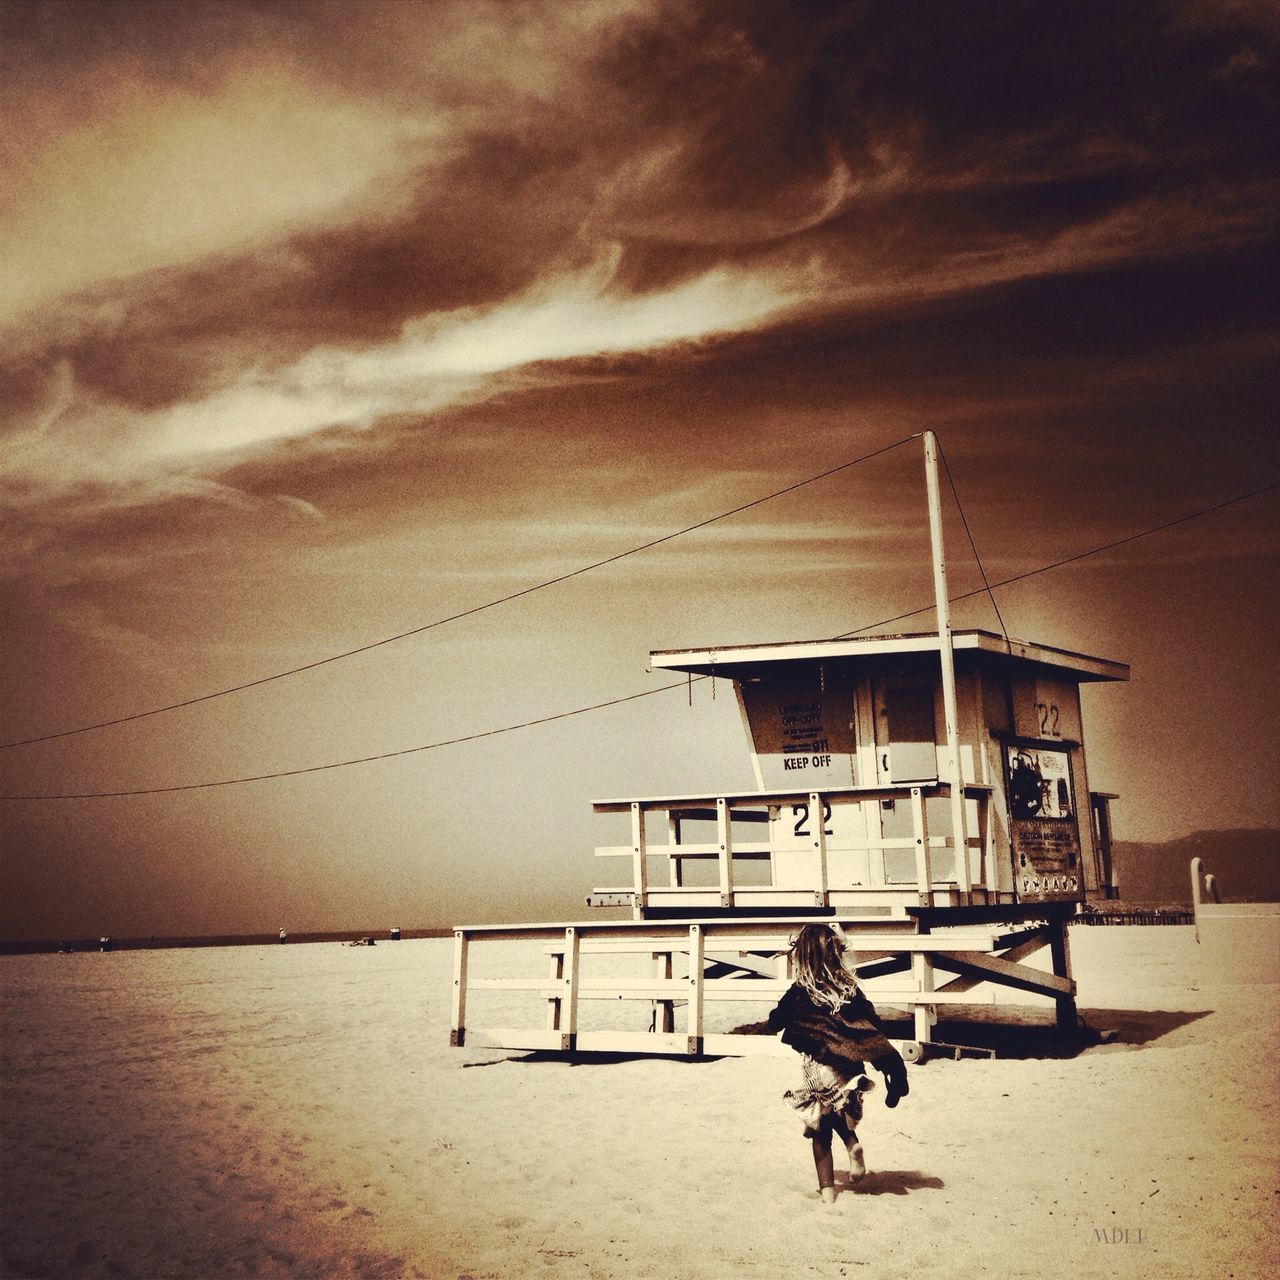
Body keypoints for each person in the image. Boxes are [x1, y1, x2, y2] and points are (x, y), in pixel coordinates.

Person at [767, 923, 909, 1203]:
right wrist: (883, 1060)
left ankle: (828, 1191)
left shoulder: (800, 991)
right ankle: (851, 1143)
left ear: (803, 957)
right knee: (834, 1114)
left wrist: (774, 1019)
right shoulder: (848, 989)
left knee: (819, 1125)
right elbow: (871, 1026)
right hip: (849, 1067)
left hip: (819, 1067)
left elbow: (777, 1020)